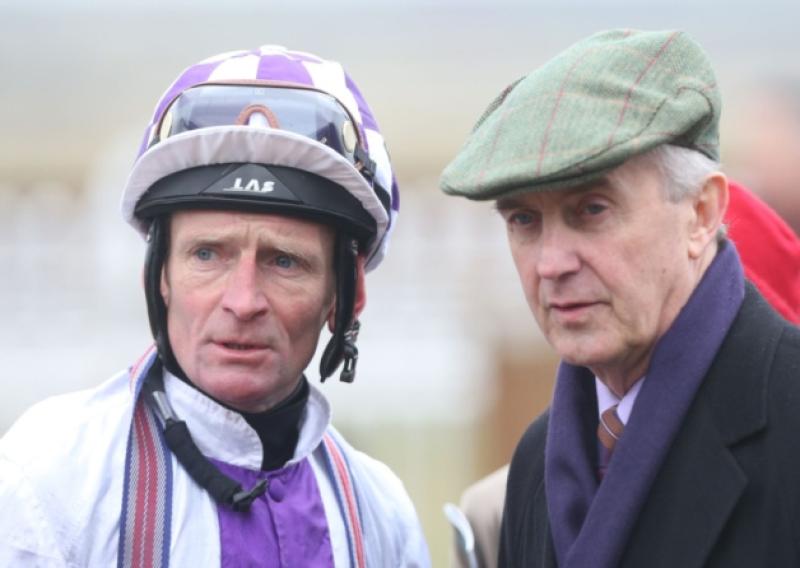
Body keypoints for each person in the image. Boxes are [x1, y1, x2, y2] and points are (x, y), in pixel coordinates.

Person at [0, 46, 430, 567]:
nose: (243, 301)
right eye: (207, 254)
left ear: (347, 295)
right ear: (157, 275)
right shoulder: (48, 482)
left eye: (285, 262)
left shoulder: (380, 514)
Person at [440, 29, 800, 568]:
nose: (551, 263)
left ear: (701, 214)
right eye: (523, 219)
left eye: (592, 209)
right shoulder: (538, 461)